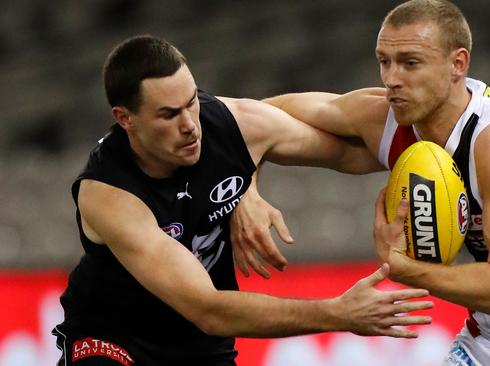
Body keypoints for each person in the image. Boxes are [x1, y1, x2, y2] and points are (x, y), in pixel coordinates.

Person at [235, 0, 490, 364]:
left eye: (410, 63)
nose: (391, 78)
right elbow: (254, 117)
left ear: (458, 64)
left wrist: (405, 270)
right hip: (485, 343)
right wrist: (245, 193)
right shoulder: (386, 118)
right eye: (384, 61)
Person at [52, 35, 435, 366]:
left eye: (191, 102)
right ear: (125, 118)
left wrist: (444, 131)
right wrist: (338, 312)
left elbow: (350, 150)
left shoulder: (230, 123)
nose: (190, 125)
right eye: (168, 115)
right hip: (113, 340)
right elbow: (208, 309)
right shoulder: (109, 194)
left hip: (198, 348)